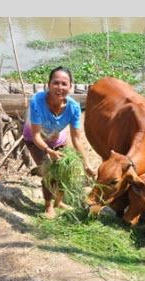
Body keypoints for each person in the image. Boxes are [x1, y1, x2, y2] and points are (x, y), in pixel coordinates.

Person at [23, 66, 95, 218]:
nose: (59, 87)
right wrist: (48, 152)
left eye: (64, 84)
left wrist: (86, 162)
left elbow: (76, 138)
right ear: (48, 84)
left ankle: (59, 201)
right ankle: (48, 207)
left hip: (57, 140)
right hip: (34, 139)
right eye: (56, 83)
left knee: (64, 169)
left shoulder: (74, 108)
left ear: (70, 87)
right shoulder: (37, 101)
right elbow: (36, 136)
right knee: (50, 172)